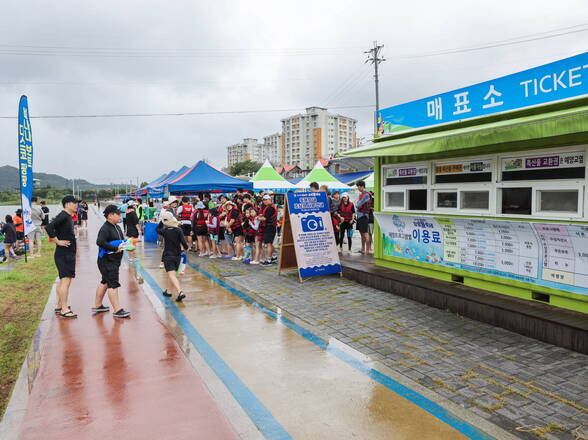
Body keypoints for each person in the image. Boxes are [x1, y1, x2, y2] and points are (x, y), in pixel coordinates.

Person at [94, 205, 131, 318]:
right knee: (113, 284)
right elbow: (99, 242)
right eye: (118, 214)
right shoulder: (105, 228)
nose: (120, 216)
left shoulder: (117, 227)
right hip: (107, 261)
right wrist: (115, 249)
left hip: (113, 261)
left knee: (105, 281)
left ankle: (97, 305)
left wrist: (128, 244)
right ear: (110, 215)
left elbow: (120, 241)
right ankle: (117, 310)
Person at [46, 195, 79, 319]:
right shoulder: (64, 215)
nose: (76, 205)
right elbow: (49, 227)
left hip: (66, 253)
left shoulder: (67, 216)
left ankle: (59, 305)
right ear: (66, 204)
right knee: (66, 280)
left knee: (63, 280)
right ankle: (64, 309)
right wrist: (57, 241)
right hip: (64, 254)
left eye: (76, 203)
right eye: (73, 203)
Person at [157, 212, 189, 302]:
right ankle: (168, 291)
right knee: (172, 275)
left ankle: (180, 292)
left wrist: (161, 221)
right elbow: (183, 242)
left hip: (168, 256)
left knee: (171, 275)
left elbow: (157, 229)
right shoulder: (178, 230)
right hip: (177, 256)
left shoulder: (165, 231)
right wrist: (186, 248)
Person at [258, 195, 278, 265]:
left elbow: (264, 218)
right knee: (270, 243)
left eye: (267, 199)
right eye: (264, 200)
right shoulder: (269, 207)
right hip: (270, 227)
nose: (265, 201)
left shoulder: (270, 208)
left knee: (268, 243)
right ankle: (274, 256)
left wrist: (257, 218)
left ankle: (269, 260)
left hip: (270, 227)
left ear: (270, 200)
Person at [355, 180, 373, 254]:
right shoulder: (363, 194)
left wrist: (357, 204)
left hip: (363, 216)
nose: (358, 188)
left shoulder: (366, 194)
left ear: (362, 186)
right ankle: (363, 249)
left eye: (358, 187)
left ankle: (367, 250)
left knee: (366, 233)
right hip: (360, 216)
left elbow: (358, 205)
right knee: (362, 233)